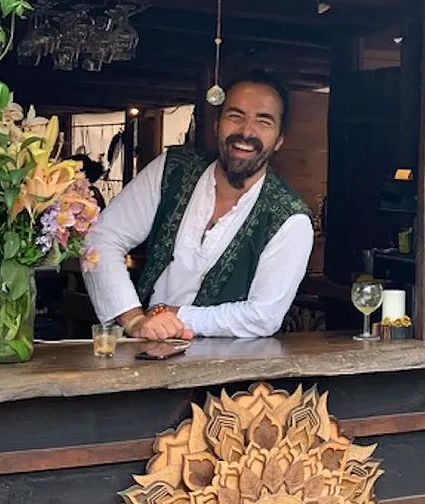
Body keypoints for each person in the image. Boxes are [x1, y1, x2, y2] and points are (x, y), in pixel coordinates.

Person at [81, 70, 313, 340]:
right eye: (235, 116)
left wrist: (174, 316)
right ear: (217, 124)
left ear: (280, 139)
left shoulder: (290, 219)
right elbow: (101, 237)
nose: (246, 131)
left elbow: (263, 316)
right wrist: (133, 319)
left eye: (263, 121)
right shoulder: (172, 169)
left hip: (228, 363)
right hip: (141, 348)